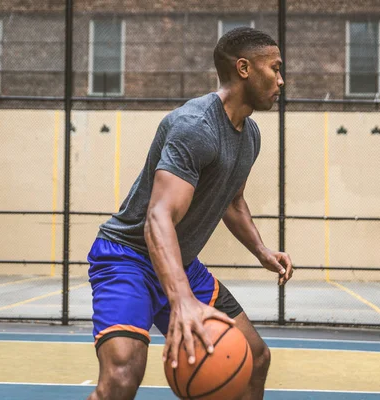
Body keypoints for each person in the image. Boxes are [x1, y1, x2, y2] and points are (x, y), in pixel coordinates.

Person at [86, 27, 293, 400]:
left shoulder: (250, 135)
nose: (281, 80)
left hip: (178, 262)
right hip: (128, 258)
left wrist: (262, 251)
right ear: (244, 68)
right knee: (120, 379)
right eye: (275, 68)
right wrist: (181, 300)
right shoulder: (195, 125)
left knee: (255, 360)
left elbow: (233, 201)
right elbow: (158, 217)